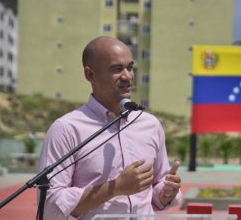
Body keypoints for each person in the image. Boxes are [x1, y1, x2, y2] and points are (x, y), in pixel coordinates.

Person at [38, 36, 182, 219]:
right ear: (90, 75)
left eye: (130, 67)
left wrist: (166, 192)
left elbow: (158, 185)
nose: (127, 76)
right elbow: (50, 206)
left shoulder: (150, 124)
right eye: (117, 69)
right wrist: (115, 188)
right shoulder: (66, 129)